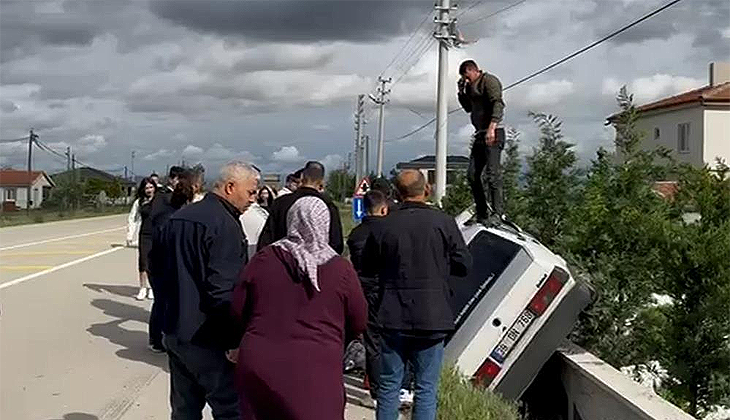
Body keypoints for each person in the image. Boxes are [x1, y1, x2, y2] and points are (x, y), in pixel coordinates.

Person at [231, 196, 368, 420]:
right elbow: (359, 319)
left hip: (260, 363)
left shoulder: (264, 259)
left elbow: (238, 308)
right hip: (316, 366)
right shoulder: (340, 270)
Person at [152, 161, 259, 420]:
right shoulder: (224, 226)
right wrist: (234, 341)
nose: (253, 199)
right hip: (207, 337)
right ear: (231, 187)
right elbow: (223, 291)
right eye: (251, 192)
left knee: (184, 410)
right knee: (230, 409)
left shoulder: (179, 217)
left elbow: (156, 270)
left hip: (176, 331)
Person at [362, 169, 471, 420]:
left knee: (389, 384)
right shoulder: (443, 222)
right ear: (427, 190)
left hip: (392, 315)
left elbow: (367, 269)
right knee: (426, 388)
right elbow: (464, 264)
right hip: (432, 315)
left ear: (396, 194)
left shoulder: (383, 226)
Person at [257, 161, 344, 254]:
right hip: (318, 263)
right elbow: (336, 243)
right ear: (322, 182)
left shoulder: (281, 203)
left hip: (283, 260)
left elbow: (267, 239)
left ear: (301, 178)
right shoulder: (328, 205)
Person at [457, 59, 506, 221]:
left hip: (493, 131)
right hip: (480, 133)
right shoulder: (470, 88)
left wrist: (492, 127)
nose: (466, 80)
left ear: (472, 70)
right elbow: (468, 108)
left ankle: (497, 213)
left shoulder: (489, 81)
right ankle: (482, 211)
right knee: (472, 175)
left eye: (466, 76)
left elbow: (498, 103)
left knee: (493, 174)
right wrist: (461, 92)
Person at [146, 165, 188, 352]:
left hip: (171, 259)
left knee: (171, 300)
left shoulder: (180, 199)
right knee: (162, 300)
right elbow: (160, 224)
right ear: (172, 179)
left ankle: (168, 334)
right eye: (179, 179)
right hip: (160, 258)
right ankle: (156, 339)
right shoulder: (163, 197)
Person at [126, 177, 156, 300]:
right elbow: (132, 218)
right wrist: (130, 235)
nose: (148, 190)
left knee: (155, 262)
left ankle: (153, 288)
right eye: (146, 187)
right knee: (143, 262)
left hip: (158, 235)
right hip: (145, 234)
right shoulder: (139, 202)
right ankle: (143, 287)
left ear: (155, 188)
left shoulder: (160, 201)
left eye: (151, 187)